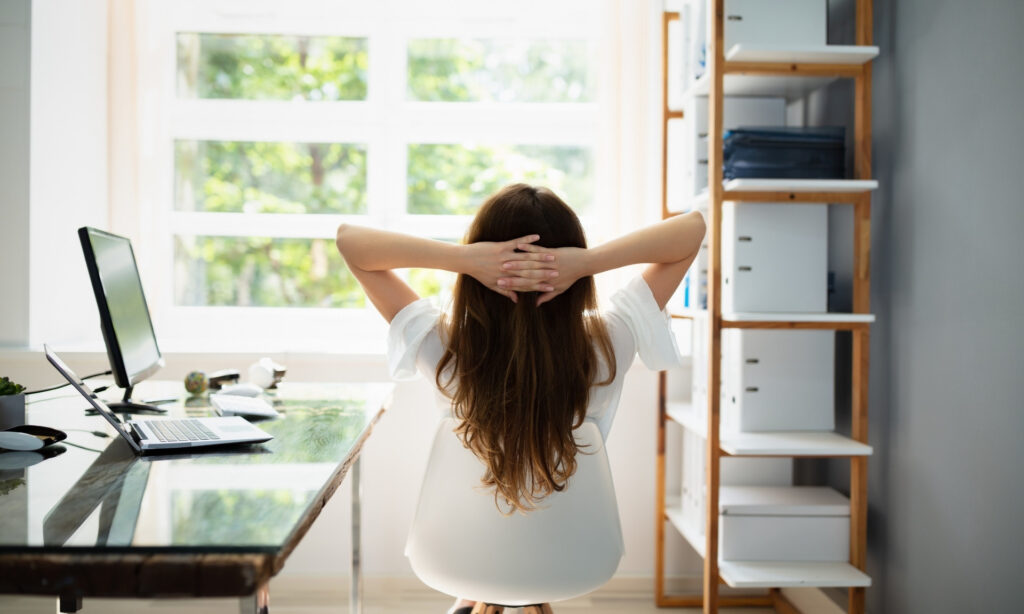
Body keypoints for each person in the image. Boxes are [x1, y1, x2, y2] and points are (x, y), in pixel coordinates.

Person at [335, 183, 705, 614]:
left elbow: (349, 241)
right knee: (533, 518)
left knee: (486, 522)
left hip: (460, 556)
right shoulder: (609, 342)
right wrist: (586, 263)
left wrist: (463, 260)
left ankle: (483, 595)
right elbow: (692, 230)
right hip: (570, 558)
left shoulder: (446, 345)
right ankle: (513, 595)